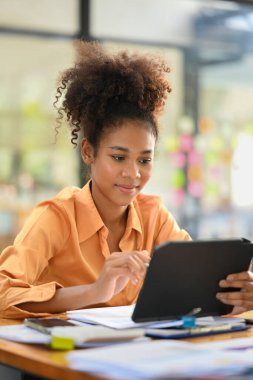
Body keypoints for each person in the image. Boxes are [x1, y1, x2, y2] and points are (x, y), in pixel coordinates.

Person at [0, 41, 252, 319]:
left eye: (144, 160)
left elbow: (194, 291)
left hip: (135, 353)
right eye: (119, 157)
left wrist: (236, 298)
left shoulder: (154, 216)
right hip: (62, 355)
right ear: (88, 152)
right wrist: (95, 291)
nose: (133, 174)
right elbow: (3, 292)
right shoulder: (56, 217)